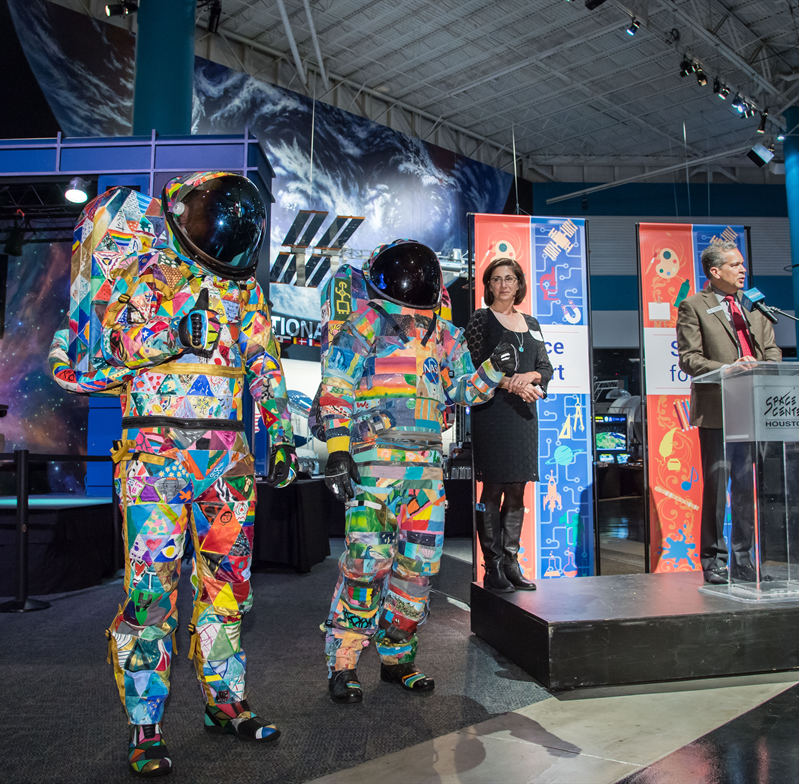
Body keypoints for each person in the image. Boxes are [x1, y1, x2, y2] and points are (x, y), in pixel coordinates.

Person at [52, 172, 297, 777]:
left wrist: (283, 432)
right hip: (155, 456)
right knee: (151, 593)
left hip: (226, 460)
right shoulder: (138, 272)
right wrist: (162, 336)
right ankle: (146, 722)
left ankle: (224, 700)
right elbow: (83, 362)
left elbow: (263, 362)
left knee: (226, 588)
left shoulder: (241, 289)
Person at [318, 239, 517, 703]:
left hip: (425, 473)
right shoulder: (365, 319)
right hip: (373, 468)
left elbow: (465, 390)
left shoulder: (444, 333)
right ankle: (344, 662)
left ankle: (397, 658)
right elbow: (337, 385)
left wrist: (492, 370)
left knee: (417, 569)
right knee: (366, 566)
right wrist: (339, 449)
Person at [676, 240, 781, 585]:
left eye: (743, 265)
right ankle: (713, 559)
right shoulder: (694, 305)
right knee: (718, 487)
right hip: (719, 408)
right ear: (715, 271)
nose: (743, 271)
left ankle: (744, 559)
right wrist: (729, 368)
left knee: (747, 487)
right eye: (735, 265)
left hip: (755, 407)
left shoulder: (755, 306)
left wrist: (763, 367)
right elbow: (689, 359)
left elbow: (772, 352)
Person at [464, 257, 553, 592]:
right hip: (493, 412)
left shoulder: (531, 322)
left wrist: (528, 377)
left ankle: (512, 562)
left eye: (510, 278)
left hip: (524, 414)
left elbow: (545, 368)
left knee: (519, 488)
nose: (504, 285)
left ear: (519, 284)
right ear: (488, 285)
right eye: (497, 279)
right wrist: (509, 383)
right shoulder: (480, 319)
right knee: (494, 488)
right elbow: (471, 366)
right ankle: (493, 566)